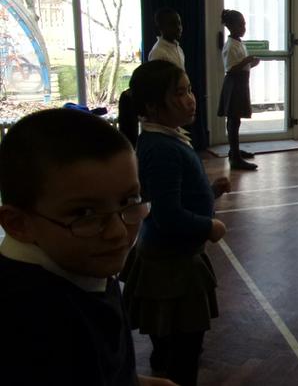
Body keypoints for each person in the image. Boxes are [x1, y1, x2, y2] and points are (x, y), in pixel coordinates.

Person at [0, 109, 173, 386]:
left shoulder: (84, 264)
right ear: (18, 223)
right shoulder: (34, 325)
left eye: (129, 200)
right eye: (84, 213)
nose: (117, 233)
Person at [121, 60, 230, 386]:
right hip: (172, 267)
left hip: (166, 257)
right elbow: (167, 215)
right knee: (182, 351)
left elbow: (172, 199)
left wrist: (210, 193)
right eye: (180, 93)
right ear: (153, 106)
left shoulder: (164, 138)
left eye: (189, 90)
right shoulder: (162, 148)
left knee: (169, 342)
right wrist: (209, 227)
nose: (191, 98)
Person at [217, 9, 261, 171]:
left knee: (236, 120)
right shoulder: (229, 46)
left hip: (241, 83)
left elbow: (241, 64)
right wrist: (246, 61)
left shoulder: (239, 43)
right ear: (230, 26)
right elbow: (230, 69)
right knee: (233, 120)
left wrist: (251, 63)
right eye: (240, 24)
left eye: (244, 24)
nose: (244, 27)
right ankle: (235, 157)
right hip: (234, 85)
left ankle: (234, 150)